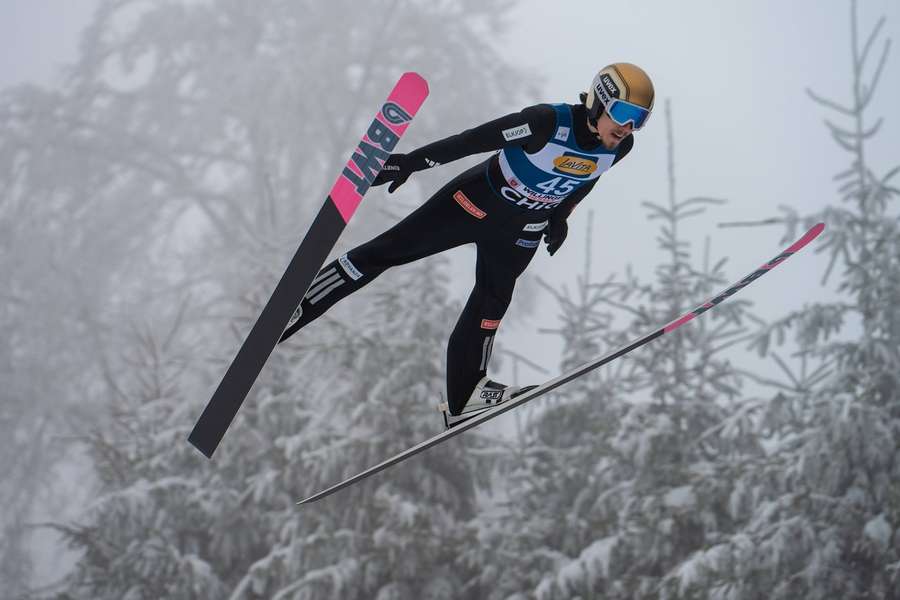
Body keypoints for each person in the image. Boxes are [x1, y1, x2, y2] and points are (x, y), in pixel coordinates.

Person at [279, 63, 655, 428]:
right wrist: (412, 162)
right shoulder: (546, 123)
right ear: (599, 101)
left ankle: (465, 396)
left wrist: (560, 217)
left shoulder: (620, 148)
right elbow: (474, 140)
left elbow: (587, 177)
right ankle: (299, 305)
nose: (628, 127)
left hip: (521, 229)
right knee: (386, 251)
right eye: (623, 113)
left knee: (492, 304)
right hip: (472, 204)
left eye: (639, 119)